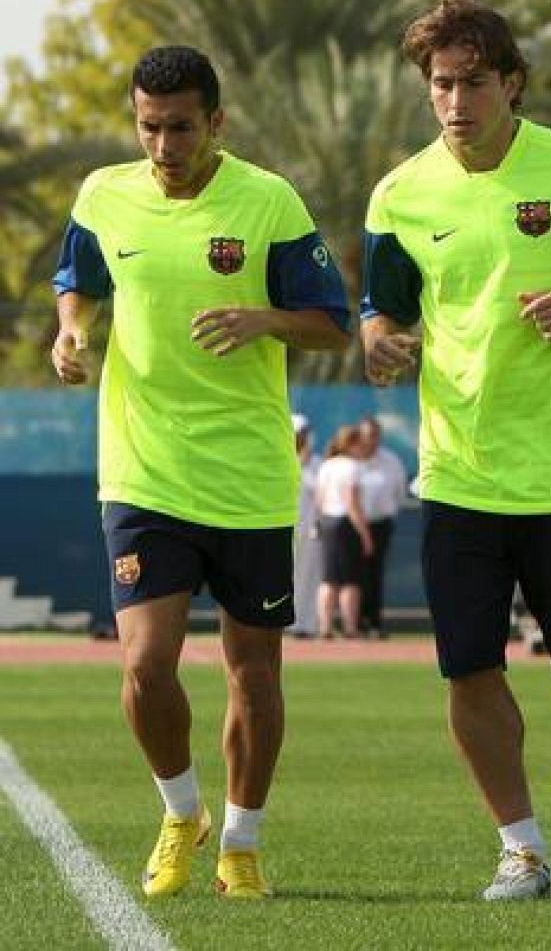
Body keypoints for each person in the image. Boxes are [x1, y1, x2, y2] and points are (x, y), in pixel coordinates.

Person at [361, 0, 551, 901]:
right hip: (460, 469)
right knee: (468, 664)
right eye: (441, 85)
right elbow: (384, 307)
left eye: (473, 82)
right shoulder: (401, 193)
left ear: (513, 84)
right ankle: (520, 846)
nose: (456, 101)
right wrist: (376, 337)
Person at [49, 44, 350, 899]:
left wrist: (263, 316)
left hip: (249, 473)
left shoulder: (267, 200)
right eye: (149, 126)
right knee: (146, 664)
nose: (163, 143)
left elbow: (331, 323)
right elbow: (77, 278)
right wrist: (71, 331)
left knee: (254, 670)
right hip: (143, 465)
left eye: (181, 126)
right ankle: (182, 813)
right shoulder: (104, 194)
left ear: (217, 120)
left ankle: (242, 843)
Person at [313, 425, 370, 639]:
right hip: (346, 524)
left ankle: (325, 627)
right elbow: (351, 502)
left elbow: (319, 500)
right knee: (350, 580)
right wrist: (365, 535)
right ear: (352, 444)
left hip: (327, 522)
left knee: (329, 579)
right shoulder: (352, 467)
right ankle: (350, 627)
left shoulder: (327, 465)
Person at [355, 415, 409, 638]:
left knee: (375, 574)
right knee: (355, 575)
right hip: (354, 526)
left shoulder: (390, 460)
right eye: (368, 435)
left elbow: (399, 490)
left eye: (376, 435)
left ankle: (374, 623)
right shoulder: (352, 460)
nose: (372, 440)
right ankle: (355, 622)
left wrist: (390, 513)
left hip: (381, 524)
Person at [288, 414, 323, 639]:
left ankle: (307, 624)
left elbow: (319, 489)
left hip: (310, 529)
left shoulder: (317, 462)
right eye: (298, 434)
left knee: (310, 576)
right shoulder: (279, 457)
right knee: (286, 575)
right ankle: (287, 622)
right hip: (285, 526)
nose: (301, 439)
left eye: (304, 434)